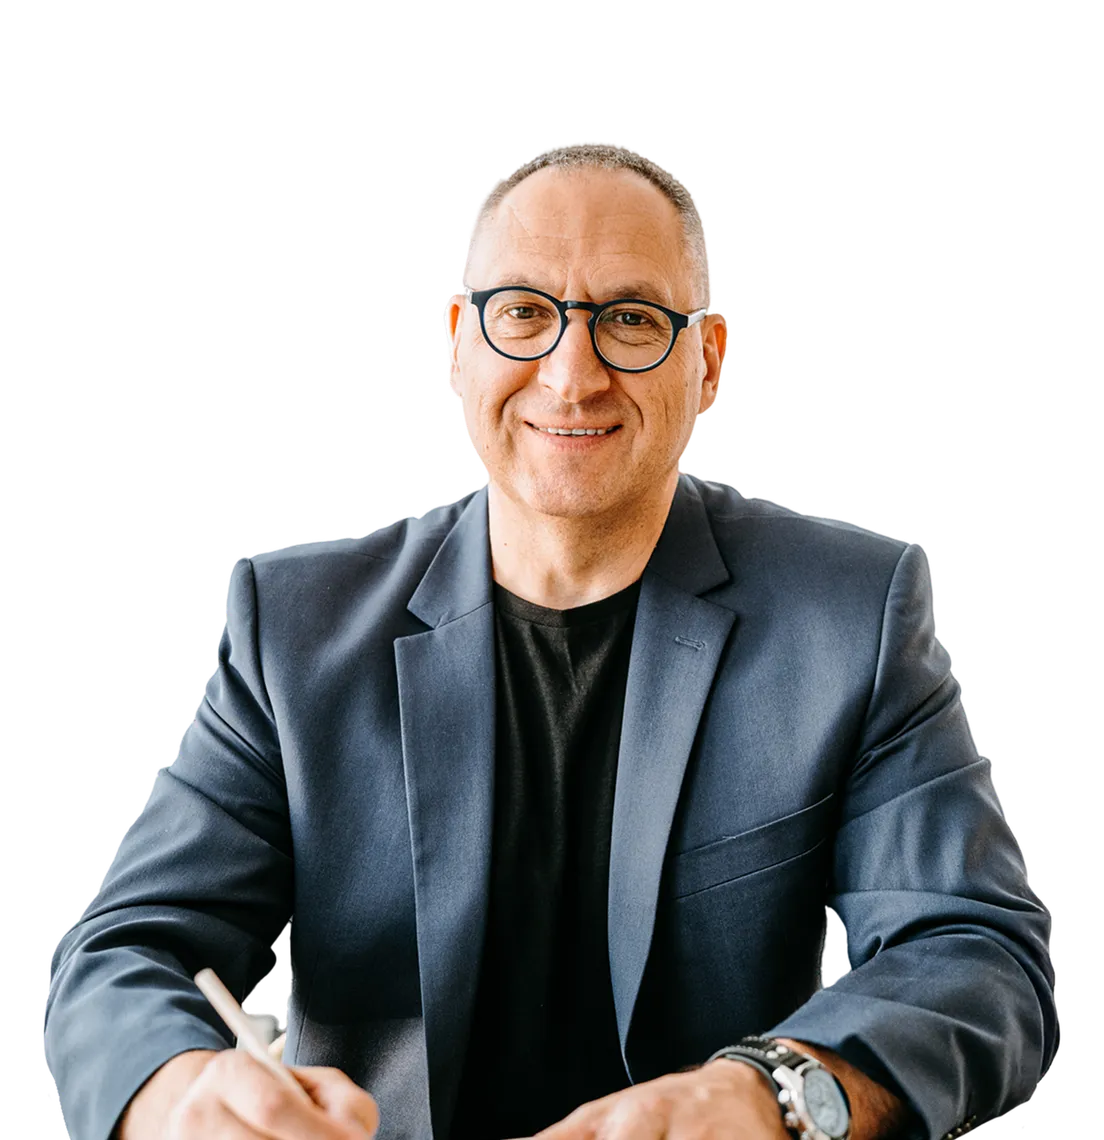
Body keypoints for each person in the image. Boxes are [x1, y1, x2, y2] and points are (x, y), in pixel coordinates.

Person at [43, 141, 1057, 1140]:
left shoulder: (853, 613)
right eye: (523, 312)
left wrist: (776, 1093)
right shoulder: (294, 626)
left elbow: (978, 954)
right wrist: (178, 1091)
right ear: (457, 342)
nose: (572, 377)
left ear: (708, 361)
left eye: (631, 319)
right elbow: (120, 952)